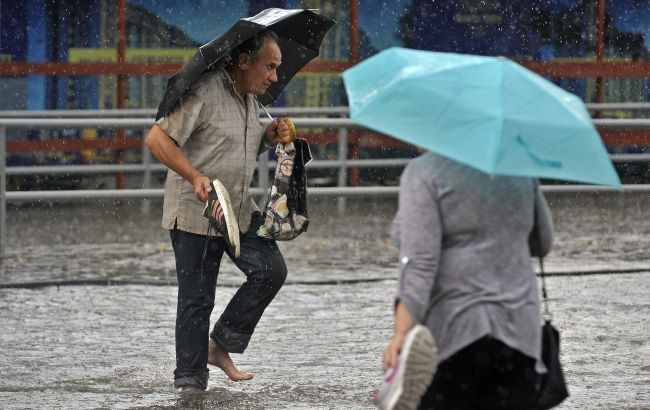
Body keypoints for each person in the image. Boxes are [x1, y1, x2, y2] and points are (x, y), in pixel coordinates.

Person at [144, 29, 291, 392]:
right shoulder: (204, 91)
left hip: (239, 209)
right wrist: (193, 175)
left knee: (270, 270)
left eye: (277, 68)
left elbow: (229, 147)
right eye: (269, 67)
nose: (274, 77)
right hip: (196, 212)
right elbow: (156, 139)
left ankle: (219, 344)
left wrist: (267, 138)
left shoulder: (251, 98)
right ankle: (190, 383)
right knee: (197, 299)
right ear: (243, 61)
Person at [380, 152, 554, 410]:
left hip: (455, 334)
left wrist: (401, 333)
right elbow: (542, 241)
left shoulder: (425, 172)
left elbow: (420, 262)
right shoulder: (519, 168)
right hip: (521, 335)